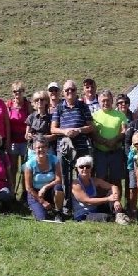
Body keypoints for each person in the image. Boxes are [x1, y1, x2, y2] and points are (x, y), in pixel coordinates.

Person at [51, 80, 95, 215]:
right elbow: (53, 128)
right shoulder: (59, 107)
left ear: (77, 91)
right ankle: (66, 206)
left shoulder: (83, 106)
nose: (70, 92)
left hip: (81, 148)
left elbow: (91, 127)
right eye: (67, 90)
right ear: (63, 93)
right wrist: (65, 132)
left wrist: (79, 130)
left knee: (82, 176)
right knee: (64, 176)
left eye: (72, 90)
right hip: (63, 148)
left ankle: (82, 204)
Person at [92, 90, 128, 202]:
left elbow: (124, 130)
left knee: (116, 180)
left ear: (112, 101)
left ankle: (117, 205)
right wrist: (104, 142)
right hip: (100, 152)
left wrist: (115, 140)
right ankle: (102, 204)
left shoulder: (120, 115)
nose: (105, 103)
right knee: (101, 179)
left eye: (108, 100)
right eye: (103, 101)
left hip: (116, 152)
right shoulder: (94, 116)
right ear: (99, 101)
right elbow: (93, 133)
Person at [71, 156, 127, 223]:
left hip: (95, 209)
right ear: (77, 169)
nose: (85, 169)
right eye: (81, 167)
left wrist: (116, 201)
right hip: (83, 214)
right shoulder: (75, 184)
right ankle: (118, 216)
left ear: (91, 168)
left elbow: (114, 187)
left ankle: (119, 214)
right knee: (106, 217)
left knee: (111, 192)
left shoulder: (94, 180)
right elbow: (87, 201)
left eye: (87, 166)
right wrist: (108, 198)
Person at [24, 137, 64, 222]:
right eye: (38, 147)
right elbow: (28, 188)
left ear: (47, 148)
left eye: (43, 147)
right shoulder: (29, 164)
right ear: (34, 149)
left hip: (49, 191)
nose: (41, 149)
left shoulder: (54, 159)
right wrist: (42, 201)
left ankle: (58, 212)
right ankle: (37, 208)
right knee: (42, 218)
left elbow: (59, 179)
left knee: (58, 188)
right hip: (35, 193)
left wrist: (45, 187)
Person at [7, 80, 33, 196]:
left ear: (23, 92)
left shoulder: (27, 105)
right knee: (13, 169)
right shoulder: (9, 105)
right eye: (15, 91)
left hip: (25, 141)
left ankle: (24, 193)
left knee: (25, 169)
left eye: (19, 91)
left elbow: (32, 121)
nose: (17, 94)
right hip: (12, 141)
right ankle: (12, 192)